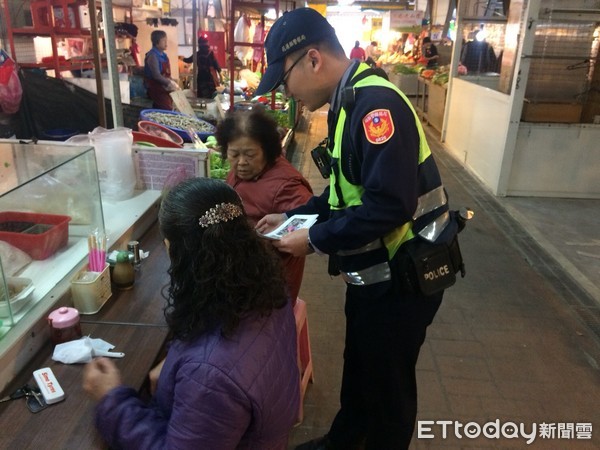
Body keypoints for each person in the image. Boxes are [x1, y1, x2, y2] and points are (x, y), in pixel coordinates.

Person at [254, 8, 460, 450]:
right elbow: (347, 194)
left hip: (404, 281)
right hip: (376, 279)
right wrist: (300, 218)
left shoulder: (376, 106)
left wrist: (311, 240)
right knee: (361, 365)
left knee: (389, 391)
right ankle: (344, 440)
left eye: (284, 78)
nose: (285, 92)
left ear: (312, 59)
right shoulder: (348, 103)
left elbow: (388, 205)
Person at [82, 177, 300, 449]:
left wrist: (111, 399)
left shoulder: (209, 374)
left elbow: (215, 374)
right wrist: (176, 360)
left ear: (174, 251)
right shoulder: (265, 288)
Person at [216, 108, 313, 302]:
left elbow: (307, 227)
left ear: (267, 151)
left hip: (267, 289)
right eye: (234, 154)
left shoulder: (287, 186)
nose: (241, 162)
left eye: (250, 154)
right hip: (238, 273)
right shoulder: (241, 173)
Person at [143, 30, 179, 110]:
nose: (166, 43)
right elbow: (156, 75)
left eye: (166, 40)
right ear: (157, 42)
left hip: (163, 87)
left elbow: (167, 74)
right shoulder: (152, 56)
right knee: (166, 108)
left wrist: (173, 82)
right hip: (155, 89)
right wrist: (169, 83)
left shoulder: (164, 56)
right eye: (164, 41)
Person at [184, 34, 222, 98]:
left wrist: (182, 58)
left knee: (202, 95)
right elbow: (216, 64)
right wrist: (220, 74)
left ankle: (203, 106)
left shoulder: (197, 54)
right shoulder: (210, 53)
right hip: (210, 78)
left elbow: (188, 60)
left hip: (201, 77)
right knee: (211, 95)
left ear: (199, 45)